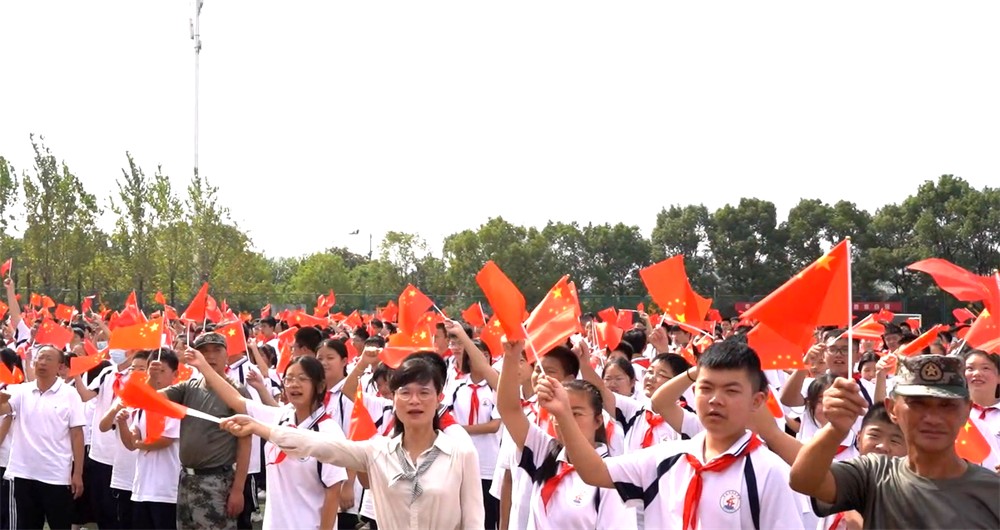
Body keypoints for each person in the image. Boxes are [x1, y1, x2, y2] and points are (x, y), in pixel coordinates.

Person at [553, 339, 803, 529]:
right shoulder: (668, 458)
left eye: (731, 391)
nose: (715, 400)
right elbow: (594, 472)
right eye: (706, 388)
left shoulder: (769, 472)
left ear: (757, 400)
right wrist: (564, 415)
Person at [219, 355, 485, 530]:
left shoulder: (460, 454)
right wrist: (262, 429)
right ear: (393, 399)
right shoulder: (377, 452)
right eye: (405, 393)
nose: (414, 401)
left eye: (424, 393)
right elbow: (318, 444)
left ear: (439, 399)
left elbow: (474, 523)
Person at [789, 354, 1000, 528]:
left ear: (967, 411)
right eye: (917, 404)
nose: (932, 418)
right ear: (892, 409)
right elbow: (803, 480)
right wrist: (835, 430)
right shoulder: (874, 474)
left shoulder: (992, 491)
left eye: (947, 405)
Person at [497, 339, 635, 529]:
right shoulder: (545, 452)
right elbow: (509, 410)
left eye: (575, 413)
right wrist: (511, 356)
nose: (564, 420)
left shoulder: (610, 478)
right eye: (558, 413)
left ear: (598, 420)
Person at [160, 332, 252, 530]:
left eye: (216, 350)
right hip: (187, 479)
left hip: (217, 481)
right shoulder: (189, 387)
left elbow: (245, 444)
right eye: (204, 351)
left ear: (227, 354)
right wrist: (153, 377)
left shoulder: (235, 392)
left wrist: (238, 489)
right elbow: (152, 398)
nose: (210, 356)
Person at [0, 345, 86, 530]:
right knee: (27, 525)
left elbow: (77, 435)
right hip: (23, 473)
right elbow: (4, 409)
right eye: (39, 358)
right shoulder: (21, 391)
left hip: (55, 475)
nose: (42, 363)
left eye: (48, 359)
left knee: (59, 524)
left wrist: (78, 473)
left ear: (60, 366)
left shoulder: (70, 395)